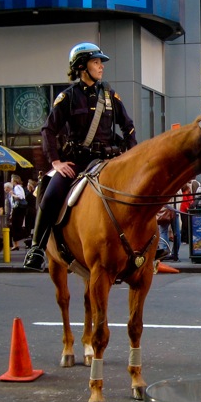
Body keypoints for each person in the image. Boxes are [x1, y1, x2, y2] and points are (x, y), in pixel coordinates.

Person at [24, 42, 136, 271]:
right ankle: (37, 248)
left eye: (100, 63)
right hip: (77, 163)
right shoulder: (68, 97)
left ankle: (146, 245)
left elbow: (129, 127)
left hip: (108, 161)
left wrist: (130, 155)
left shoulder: (111, 95)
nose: (101, 67)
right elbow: (48, 130)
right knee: (51, 194)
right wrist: (56, 162)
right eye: (96, 62)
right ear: (82, 66)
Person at [9, 174, 26, 251]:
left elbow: (20, 197)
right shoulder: (19, 187)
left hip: (18, 208)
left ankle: (17, 243)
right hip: (19, 208)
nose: (11, 181)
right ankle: (16, 244)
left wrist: (12, 194)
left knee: (15, 226)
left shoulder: (17, 187)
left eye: (12, 180)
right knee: (15, 226)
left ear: (15, 181)